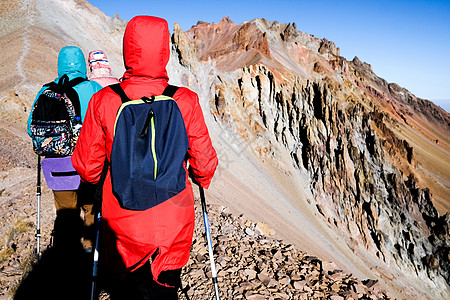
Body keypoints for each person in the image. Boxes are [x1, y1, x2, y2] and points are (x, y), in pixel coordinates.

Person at [72, 16, 218, 299]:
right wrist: (199, 176)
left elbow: (88, 169)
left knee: (129, 290)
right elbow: (205, 164)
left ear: (129, 48)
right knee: (166, 287)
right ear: (165, 50)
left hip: (124, 220)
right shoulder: (185, 100)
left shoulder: (104, 101)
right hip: (174, 219)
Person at [27, 46, 102, 252]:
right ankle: (90, 251)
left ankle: (66, 257)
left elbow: (30, 127)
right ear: (82, 64)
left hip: (57, 166)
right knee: (90, 207)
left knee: (66, 213)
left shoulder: (46, 90)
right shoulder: (94, 88)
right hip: (87, 163)